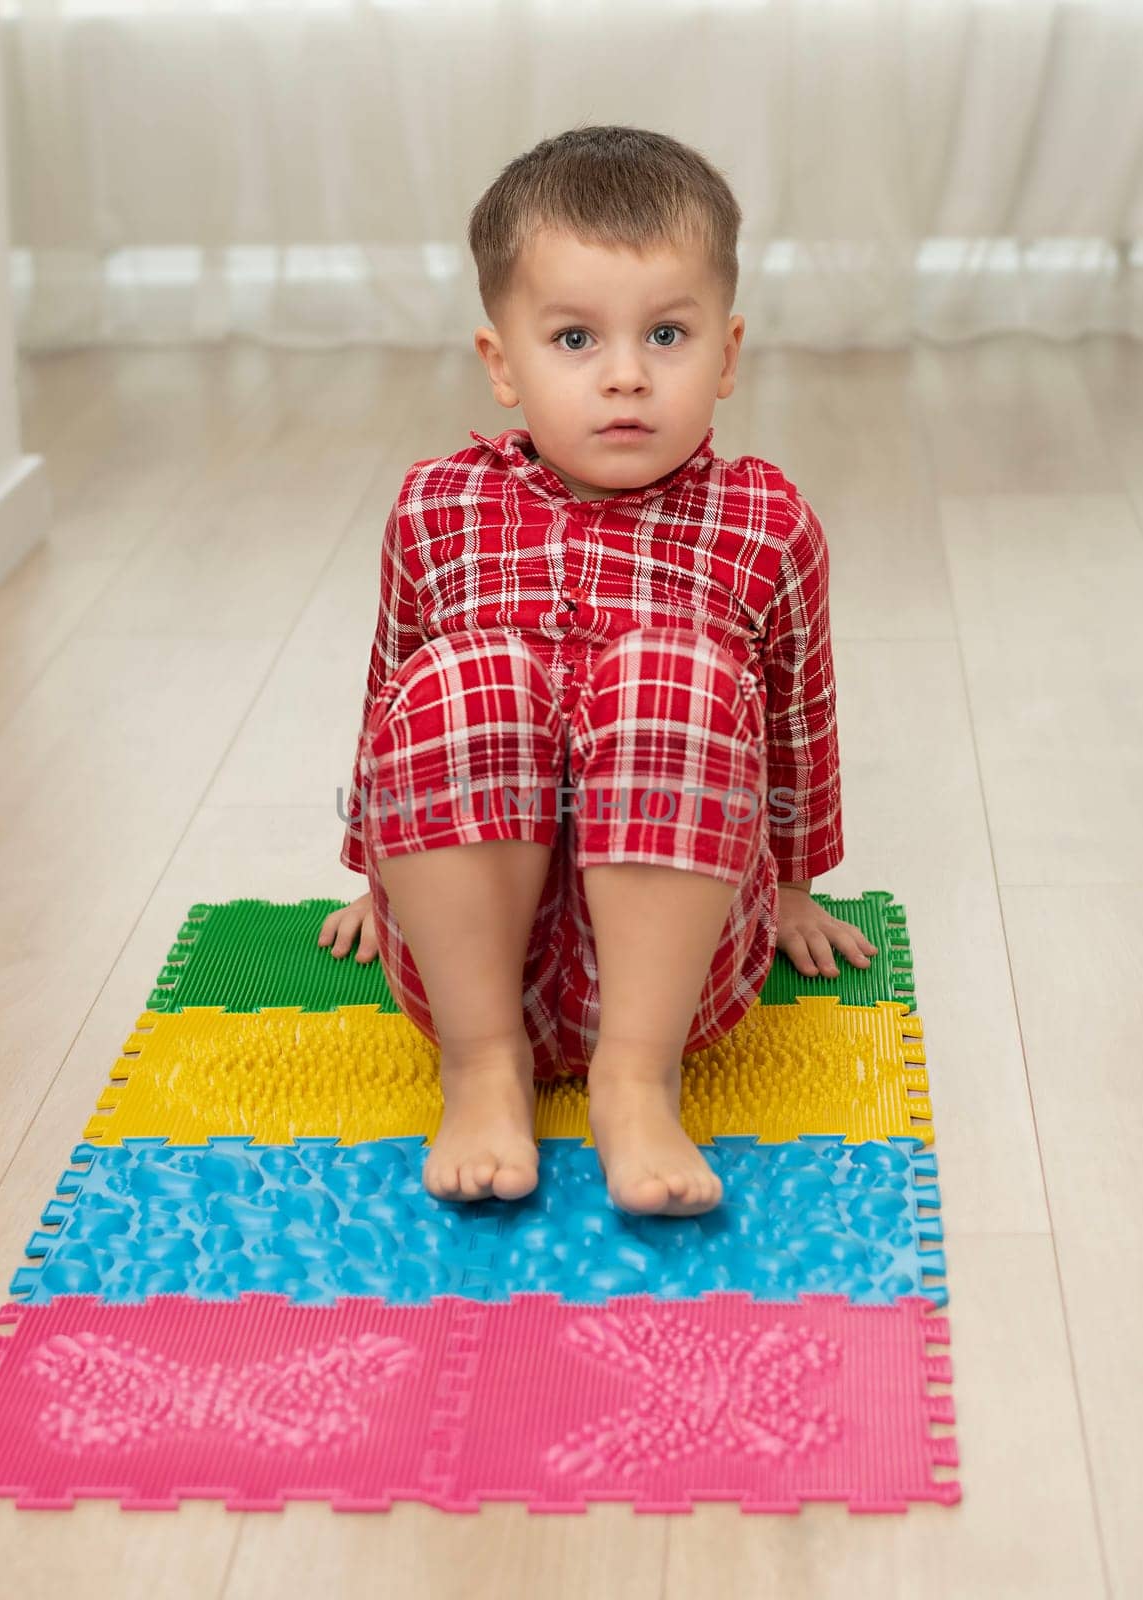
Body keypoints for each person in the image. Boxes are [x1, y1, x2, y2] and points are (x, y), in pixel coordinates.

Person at [319, 125, 877, 1219]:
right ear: (503, 365)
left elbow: (803, 721)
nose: (626, 375)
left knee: (672, 672)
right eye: (575, 339)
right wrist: (370, 876)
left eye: (666, 334)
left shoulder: (766, 522)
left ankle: (637, 1082)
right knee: (458, 678)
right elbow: (388, 689)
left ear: (726, 352)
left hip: (683, 972)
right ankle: (483, 1074)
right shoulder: (439, 507)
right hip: (472, 958)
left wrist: (799, 884)